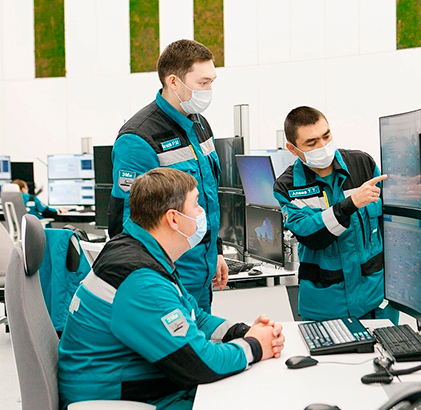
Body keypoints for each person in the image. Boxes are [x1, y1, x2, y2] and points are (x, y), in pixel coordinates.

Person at [58, 168, 285, 410]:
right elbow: (200, 365)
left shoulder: (141, 251)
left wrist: (243, 331)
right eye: (196, 204)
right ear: (173, 219)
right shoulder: (141, 279)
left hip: (133, 385)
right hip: (115, 401)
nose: (202, 213)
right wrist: (255, 346)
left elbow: (194, 318)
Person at [109, 39, 228, 312]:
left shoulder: (200, 124)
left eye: (211, 82)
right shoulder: (138, 138)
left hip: (203, 271)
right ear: (174, 82)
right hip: (167, 277)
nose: (209, 90)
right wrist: (155, 281)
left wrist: (217, 251)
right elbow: (126, 224)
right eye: (202, 83)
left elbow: (208, 200)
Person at [273, 106, 398, 324]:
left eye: (326, 136)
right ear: (292, 149)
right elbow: (312, 236)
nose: (322, 146)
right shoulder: (288, 187)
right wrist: (350, 204)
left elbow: (389, 222)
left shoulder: (362, 164)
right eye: (311, 143)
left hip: (377, 302)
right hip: (326, 309)